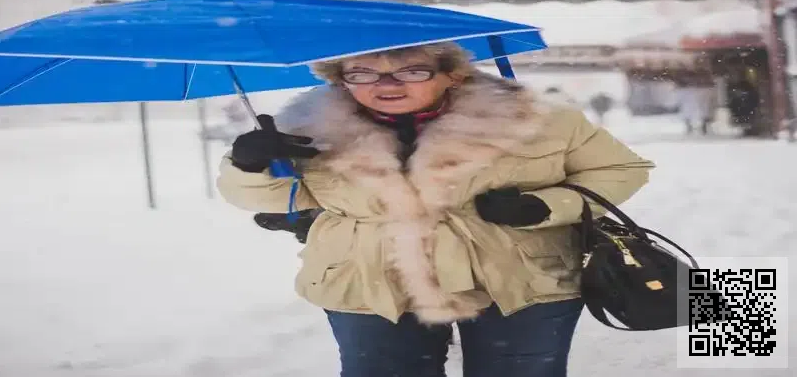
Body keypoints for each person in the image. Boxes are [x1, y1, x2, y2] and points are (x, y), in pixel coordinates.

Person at [217, 42, 655, 377]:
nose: (387, 85)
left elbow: (621, 169)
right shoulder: (300, 130)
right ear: (339, 79)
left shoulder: (540, 119)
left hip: (520, 277)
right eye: (361, 72)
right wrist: (250, 165)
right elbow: (268, 199)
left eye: (412, 70)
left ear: (452, 74)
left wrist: (545, 206)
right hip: (368, 281)